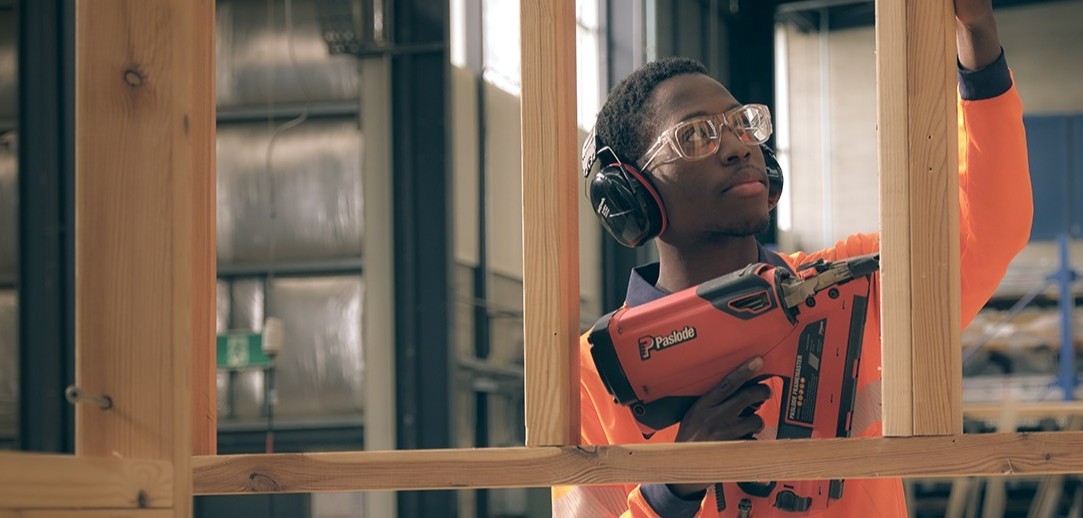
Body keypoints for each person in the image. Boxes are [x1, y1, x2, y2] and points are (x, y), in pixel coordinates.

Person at [552, 0, 1032, 516]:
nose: (739, 146)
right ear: (633, 196)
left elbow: (985, 227)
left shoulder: (845, 286)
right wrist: (674, 486)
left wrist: (977, 38)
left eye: (742, 124)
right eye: (695, 135)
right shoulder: (595, 374)